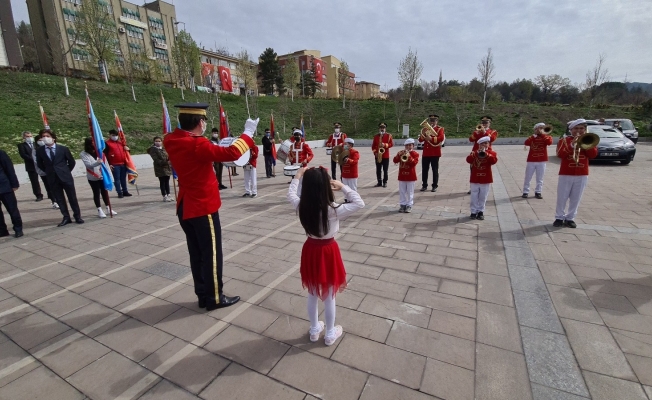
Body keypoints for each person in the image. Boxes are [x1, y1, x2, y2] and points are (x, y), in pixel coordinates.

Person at [164, 103, 257, 311]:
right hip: (202, 207)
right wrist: (248, 132)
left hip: (185, 205)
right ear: (200, 122)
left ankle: (203, 294)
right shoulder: (197, 144)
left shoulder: (171, 140)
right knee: (212, 254)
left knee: (196, 253)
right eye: (204, 121)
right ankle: (215, 297)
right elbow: (233, 153)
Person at [287, 166, 364, 346]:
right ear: (326, 187)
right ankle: (330, 332)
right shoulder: (333, 209)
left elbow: (290, 194)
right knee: (329, 295)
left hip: (311, 249)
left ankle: (314, 329)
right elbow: (359, 203)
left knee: (313, 292)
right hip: (328, 251)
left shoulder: (301, 205)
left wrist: (297, 176)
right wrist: (343, 186)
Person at [553, 119, 598, 228]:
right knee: (562, 196)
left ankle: (570, 218)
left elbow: (593, 155)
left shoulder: (589, 139)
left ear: (585, 129)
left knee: (576, 197)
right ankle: (559, 217)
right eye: (576, 128)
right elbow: (560, 154)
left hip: (582, 172)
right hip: (566, 172)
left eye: (581, 128)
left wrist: (586, 144)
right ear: (571, 130)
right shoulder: (564, 140)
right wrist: (572, 146)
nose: (579, 130)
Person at [35, 129, 83, 226]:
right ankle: (66, 217)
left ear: (53, 137)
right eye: (43, 136)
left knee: (72, 197)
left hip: (65, 177)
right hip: (52, 178)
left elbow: (71, 162)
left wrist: (65, 171)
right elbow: (40, 164)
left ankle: (77, 216)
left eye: (47, 136)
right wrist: (49, 171)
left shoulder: (63, 149)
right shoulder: (40, 150)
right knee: (59, 198)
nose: (45, 138)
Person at [80, 138, 117, 218]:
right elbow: (88, 165)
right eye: (93, 142)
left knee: (105, 192)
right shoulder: (84, 154)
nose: (95, 143)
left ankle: (108, 208)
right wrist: (97, 163)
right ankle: (99, 209)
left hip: (102, 175)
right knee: (96, 192)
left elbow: (106, 164)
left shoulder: (100, 152)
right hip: (93, 177)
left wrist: (110, 176)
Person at [466, 136, 497, 220]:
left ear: (488, 144)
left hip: (485, 178)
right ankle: (473, 211)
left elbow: (494, 161)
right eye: (482, 144)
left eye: (486, 143)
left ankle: (480, 211)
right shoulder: (474, 152)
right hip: (475, 177)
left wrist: (486, 154)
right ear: (479, 145)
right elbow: (468, 160)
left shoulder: (492, 153)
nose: (484, 145)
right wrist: (476, 153)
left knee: (483, 196)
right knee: (474, 196)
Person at [522, 123, 554, 199]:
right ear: (535, 129)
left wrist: (543, 134)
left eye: (542, 128)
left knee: (540, 177)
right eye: (539, 128)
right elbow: (526, 143)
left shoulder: (547, 137)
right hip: (531, 160)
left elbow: (549, 143)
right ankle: (525, 192)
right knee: (528, 177)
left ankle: (538, 192)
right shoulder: (532, 137)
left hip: (542, 160)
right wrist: (534, 136)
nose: (541, 129)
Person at [467, 116, 498, 194]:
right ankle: (473, 187)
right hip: (476, 152)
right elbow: (470, 139)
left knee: (485, 169)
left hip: (487, 152)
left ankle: (484, 186)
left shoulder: (493, 132)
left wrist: (485, 132)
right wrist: (476, 133)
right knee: (473, 169)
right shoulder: (477, 131)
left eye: (486, 123)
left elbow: (492, 139)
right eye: (483, 123)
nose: (484, 124)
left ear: (489, 123)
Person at [419, 114, 445, 193]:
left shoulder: (440, 129)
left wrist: (432, 138)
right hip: (426, 153)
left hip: (435, 153)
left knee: (435, 170)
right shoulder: (425, 129)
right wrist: (423, 135)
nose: (432, 122)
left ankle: (434, 185)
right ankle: (424, 185)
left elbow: (441, 138)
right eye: (431, 121)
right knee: (424, 170)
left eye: (434, 121)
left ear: (437, 121)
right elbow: (420, 140)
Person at [0, 149, 23, 238]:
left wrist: (14, 184)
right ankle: (2, 230)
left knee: (12, 209)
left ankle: (18, 228)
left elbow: (9, 168)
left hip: (4, 186)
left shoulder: (1, 153)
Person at [32, 133, 58, 209]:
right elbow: (36, 161)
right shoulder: (35, 149)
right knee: (49, 186)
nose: (42, 140)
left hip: (52, 170)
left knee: (55, 186)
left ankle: (58, 199)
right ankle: (54, 201)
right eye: (39, 140)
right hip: (43, 171)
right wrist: (45, 167)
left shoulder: (49, 147)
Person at [393, 138, 419, 213]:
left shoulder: (415, 154)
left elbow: (414, 163)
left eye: (410, 145)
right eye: (407, 145)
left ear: (413, 146)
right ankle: (402, 204)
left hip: (411, 176)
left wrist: (409, 156)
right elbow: (395, 161)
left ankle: (409, 205)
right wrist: (398, 155)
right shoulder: (401, 152)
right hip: (402, 175)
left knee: (410, 192)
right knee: (402, 191)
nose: (408, 147)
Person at [104, 129, 132, 198]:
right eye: (113, 135)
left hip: (123, 163)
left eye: (116, 135)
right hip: (114, 164)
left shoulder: (121, 143)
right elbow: (105, 155)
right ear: (110, 135)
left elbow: (126, 153)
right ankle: (119, 192)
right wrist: (108, 164)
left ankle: (125, 191)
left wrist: (128, 149)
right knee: (117, 179)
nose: (115, 137)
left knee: (123, 178)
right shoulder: (107, 144)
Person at [17, 131, 43, 201]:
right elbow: (23, 155)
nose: (29, 138)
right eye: (27, 136)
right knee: (34, 181)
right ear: (24, 137)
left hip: (40, 165)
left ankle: (51, 194)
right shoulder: (21, 145)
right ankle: (38, 195)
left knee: (46, 179)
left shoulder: (36, 144)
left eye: (30, 136)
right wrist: (34, 159)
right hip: (31, 165)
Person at [147, 136, 173, 202]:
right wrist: (166, 162)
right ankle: (164, 195)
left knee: (167, 181)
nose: (158, 142)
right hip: (160, 168)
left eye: (159, 141)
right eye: (156, 141)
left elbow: (167, 156)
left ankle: (168, 194)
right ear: (154, 142)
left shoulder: (164, 149)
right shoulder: (153, 150)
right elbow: (156, 160)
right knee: (162, 182)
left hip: (167, 167)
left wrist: (170, 160)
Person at [372, 122, 393, 187]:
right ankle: (379, 181)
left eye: (383, 128)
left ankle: (385, 182)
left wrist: (385, 145)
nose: (382, 129)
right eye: (381, 128)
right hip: (378, 155)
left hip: (385, 155)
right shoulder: (376, 136)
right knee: (378, 169)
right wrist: (375, 152)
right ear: (379, 128)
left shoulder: (389, 136)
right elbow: (373, 146)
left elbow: (391, 144)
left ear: (385, 128)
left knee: (385, 170)